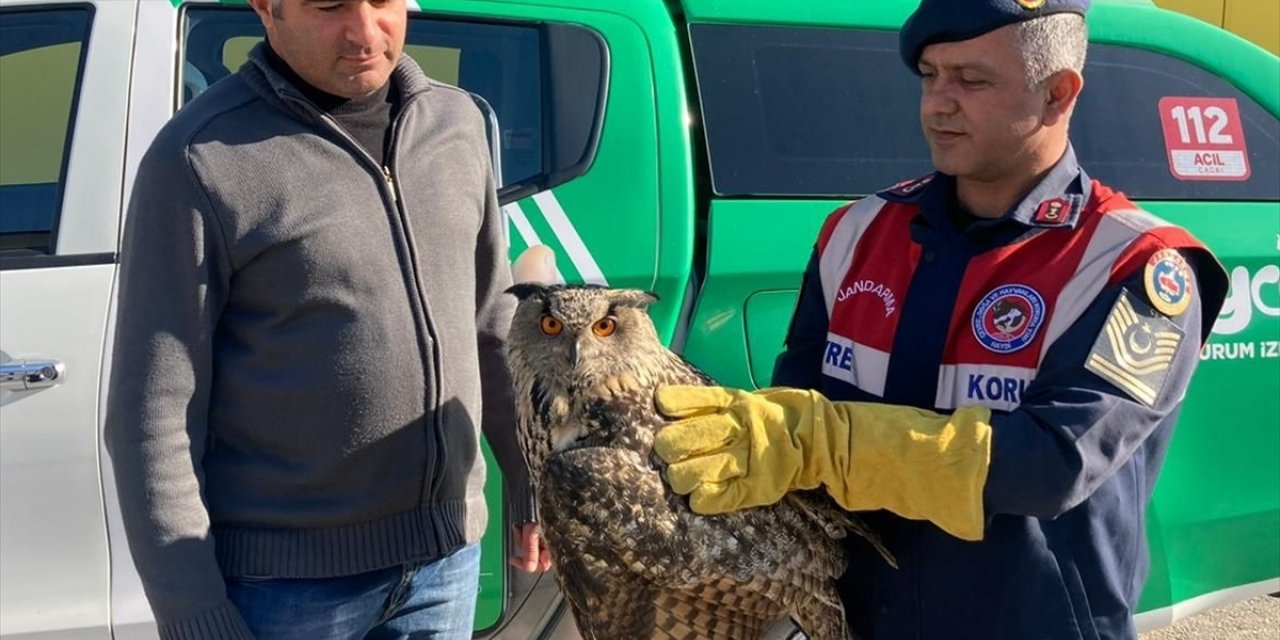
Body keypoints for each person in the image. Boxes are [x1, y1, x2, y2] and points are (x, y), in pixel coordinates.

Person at [652, 1, 1228, 638]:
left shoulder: (1139, 265)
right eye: (930, 75)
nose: (936, 104)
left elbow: (1050, 465)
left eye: (972, 80)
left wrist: (826, 443)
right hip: (863, 620)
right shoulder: (855, 232)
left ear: (1058, 94)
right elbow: (797, 407)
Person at [104, 1, 548, 638]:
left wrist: (533, 480)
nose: (366, 34)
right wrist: (193, 611)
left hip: (446, 565)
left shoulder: (457, 123)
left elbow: (493, 328)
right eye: (329, 6)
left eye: (384, 2)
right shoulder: (199, 160)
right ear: (266, 7)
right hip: (287, 592)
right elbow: (152, 413)